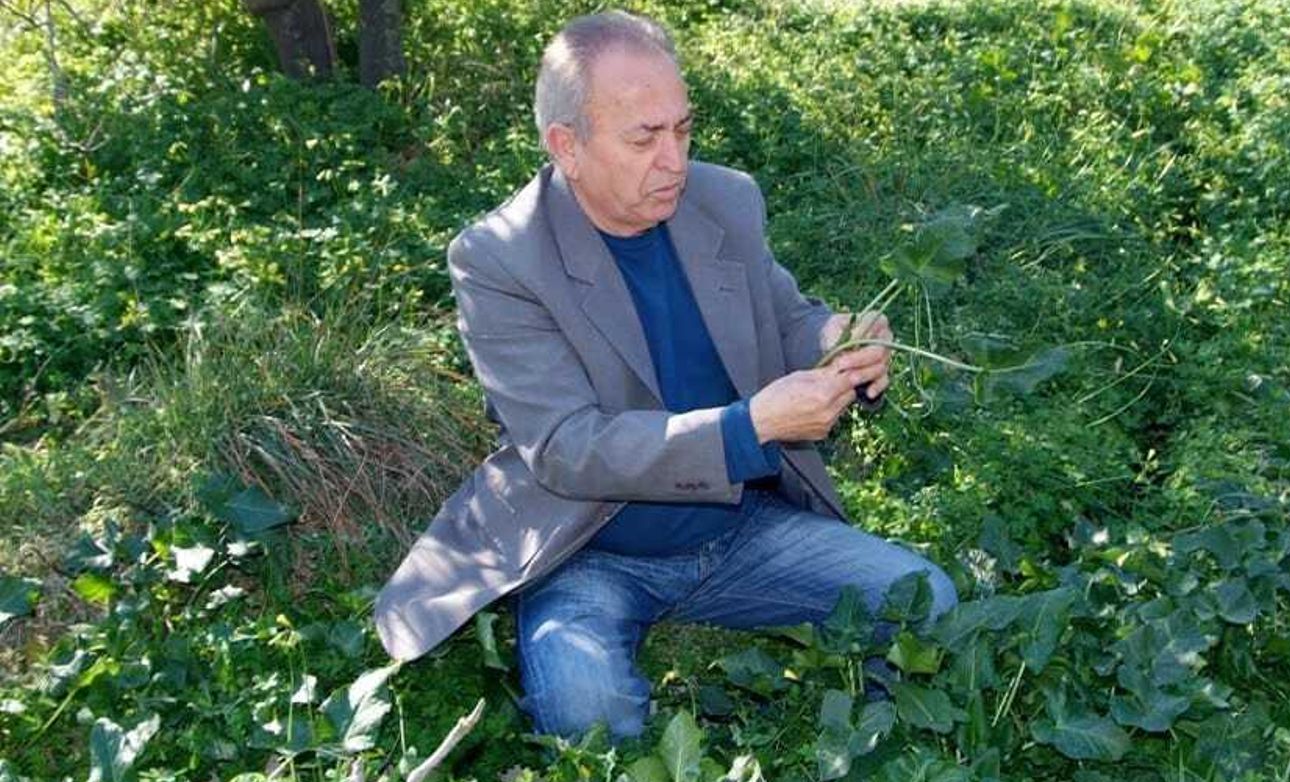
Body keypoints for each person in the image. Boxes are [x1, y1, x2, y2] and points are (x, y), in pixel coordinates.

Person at [373, 10, 957, 739]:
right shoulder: (500, 258)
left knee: (926, 600)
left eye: (683, 129)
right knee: (588, 716)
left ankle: (874, 741)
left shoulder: (723, 200)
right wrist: (750, 428)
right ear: (567, 147)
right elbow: (565, 447)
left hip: (742, 526)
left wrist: (836, 340)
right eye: (644, 138)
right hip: (592, 549)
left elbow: (784, 318)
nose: (674, 161)